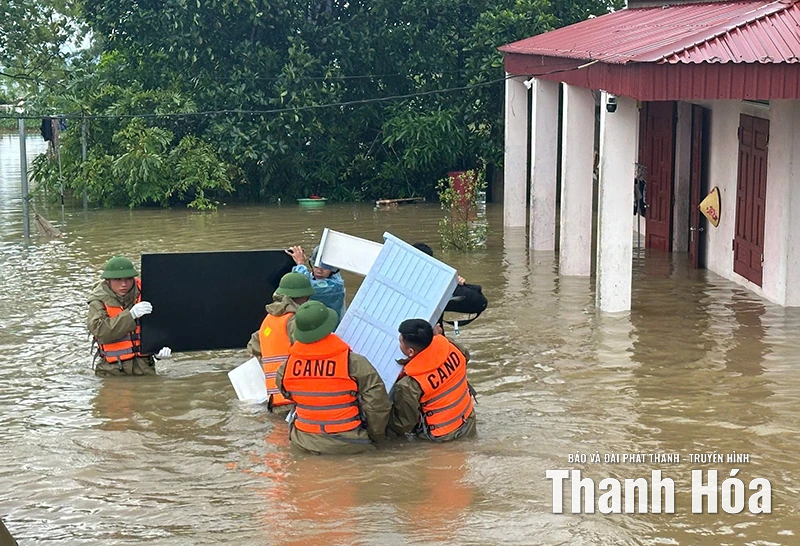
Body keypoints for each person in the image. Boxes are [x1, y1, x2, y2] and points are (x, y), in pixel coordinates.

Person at [276, 301, 391, 454]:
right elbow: (377, 404)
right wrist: (377, 438)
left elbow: (289, 395)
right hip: (350, 443)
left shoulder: (286, 367)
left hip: (303, 443)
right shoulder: (353, 362)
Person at [387, 319, 476, 441]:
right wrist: (438, 337)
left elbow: (403, 424)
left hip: (442, 437)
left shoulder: (409, 384)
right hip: (468, 420)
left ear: (410, 351)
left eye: (401, 342)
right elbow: (466, 356)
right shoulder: (452, 346)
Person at [87, 256, 172, 376]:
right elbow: (101, 332)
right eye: (118, 279)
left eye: (128, 279)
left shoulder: (148, 293)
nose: (124, 284)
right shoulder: (98, 300)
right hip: (111, 372)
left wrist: (158, 350)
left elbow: (162, 325)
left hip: (145, 369)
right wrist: (130, 315)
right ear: (108, 281)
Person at [246, 272, 315, 410]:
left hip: (273, 397)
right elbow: (310, 351)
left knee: (279, 431)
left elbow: (253, 347)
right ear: (304, 297)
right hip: (294, 396)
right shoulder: (295, 321)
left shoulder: (269, 320)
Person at [412, 243, 488, 326]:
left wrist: (457, 284)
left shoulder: (437, 285)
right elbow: (480, 303)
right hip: (430, 334)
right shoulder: (438, 285)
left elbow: (479, 302)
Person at [285, 244, 346, 326]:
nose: (319, 271)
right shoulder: (321, 276)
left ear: (334, 269)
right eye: (316, 266)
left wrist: (300, 264)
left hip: (329, 328)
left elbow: (304, 286)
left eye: (324, 267)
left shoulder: (335, 286)